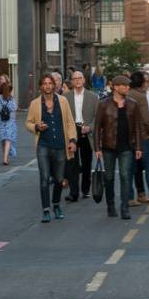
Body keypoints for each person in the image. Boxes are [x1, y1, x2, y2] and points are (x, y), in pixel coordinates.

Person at [25, 73, 77, 222]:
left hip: (60, 145)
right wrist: (36, 126)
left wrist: (72, 140)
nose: (47, 86)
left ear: (54, 85)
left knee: (59, 179)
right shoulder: (35, 104)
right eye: (45, 84)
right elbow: (28, 123)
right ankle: (46, 210)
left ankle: (56, 204)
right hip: (43, 145)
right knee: (44, 178)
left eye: (50, 83)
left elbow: (70, 122)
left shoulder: (63, 101)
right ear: (41, 86)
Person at [93, 74, 143, 220]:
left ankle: (124, 207)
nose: (127, 88)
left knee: (125, 177)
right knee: (109, 178)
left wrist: (138, 147)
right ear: (115, 87)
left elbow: (138, 127)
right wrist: (97, 148)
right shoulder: (103, 104)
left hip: (127, 147)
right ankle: (110, 205)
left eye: (128, 86)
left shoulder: (133, 104)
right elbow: (97, 128)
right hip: (108, 146)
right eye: (124, 85)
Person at [127, 70, 149, 208]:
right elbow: (146, 119)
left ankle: (131, 197)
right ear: (141, 82)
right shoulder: (141, 96)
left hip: (128, 136)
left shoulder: (127, 94)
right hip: (142, 136)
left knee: (131, 168)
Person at [63, 68, 98, 200]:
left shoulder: (93, 97)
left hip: (86, 132)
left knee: (87, 162)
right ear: (71, 82)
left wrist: (90, 127)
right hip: (72, 131)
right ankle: (74, 193)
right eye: (75, 78)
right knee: (72, 162)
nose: (77, 80)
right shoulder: (65, 97)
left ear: (84, 80)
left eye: (80, 78)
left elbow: (97, 117)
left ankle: (85, 189)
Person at [0, 80, 18, 165]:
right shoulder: (11, 98)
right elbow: (14, 109)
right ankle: (5, 158)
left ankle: (5, 157)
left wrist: (0, 110)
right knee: (8, 139)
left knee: (4, 139)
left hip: (1, 121)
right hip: (10, 121)